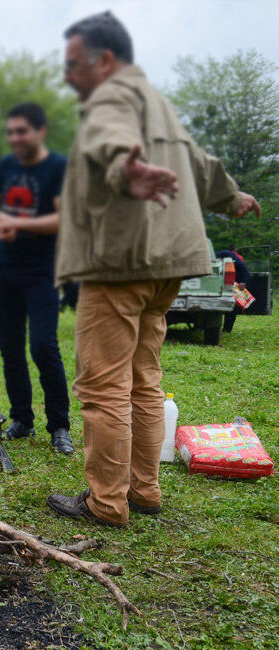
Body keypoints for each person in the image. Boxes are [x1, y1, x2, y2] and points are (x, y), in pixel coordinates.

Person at [46, 12, 262, 526]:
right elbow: (201, 164)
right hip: (169, 264)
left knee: (103, 387)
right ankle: (143, 491)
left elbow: (111, 140)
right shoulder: (157, 102)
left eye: (74, 64)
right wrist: (232, 197)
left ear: (104, 60)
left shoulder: (111, 97)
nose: (67, 75)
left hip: (122, 263)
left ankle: (105, 503)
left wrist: (127, 169)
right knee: (143, 379)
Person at [0, 102, 73, 454]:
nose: (14, 138)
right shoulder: (6, 166)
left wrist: (15, 222)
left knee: (43, 346)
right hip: (5, 268)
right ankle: (21, 418)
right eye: (10, 132)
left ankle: (60, 426)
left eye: (21, 131)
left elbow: (63, 219)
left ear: (40, 131)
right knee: (9, 346)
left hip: (42, 270)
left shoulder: (58, 167)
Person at [215, 247, 252, 333]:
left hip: (233, 285)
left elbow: (244, 270)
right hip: (219, 284)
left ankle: (227, 329)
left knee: (232, 307)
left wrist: (243, 282)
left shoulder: (230, 257)